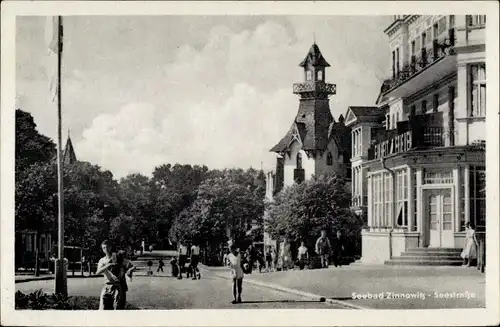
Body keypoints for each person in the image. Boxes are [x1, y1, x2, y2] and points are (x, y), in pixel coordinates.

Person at [96, 241, 134, 310]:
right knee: (102, 309)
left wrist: (129, 271)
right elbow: (97, 272)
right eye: (103, 248)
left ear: (110, 247)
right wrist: (108, 265)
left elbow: (131, 265)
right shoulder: (102, 260)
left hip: (117, 286)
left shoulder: (117, 258)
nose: (105, 249)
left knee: (117, 309)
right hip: (106, 286)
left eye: (107, 247)